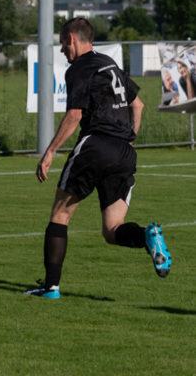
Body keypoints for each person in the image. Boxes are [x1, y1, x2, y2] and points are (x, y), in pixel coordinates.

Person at [25, 17, 172, 299]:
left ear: (71, 39)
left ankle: (51, 288)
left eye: (61, 44)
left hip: (95, 145)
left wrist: (50, 152)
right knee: (112, 229)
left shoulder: (79, 68)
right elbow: (138, 105)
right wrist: (129, 137)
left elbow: (75, 114)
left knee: (60, 214)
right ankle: (147, 237)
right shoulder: (109, 64)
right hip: (124, 152)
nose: (61, 51)